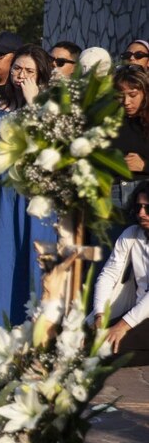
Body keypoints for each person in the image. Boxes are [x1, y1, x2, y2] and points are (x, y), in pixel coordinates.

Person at [0, 45, 56, 334]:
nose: (21, 76)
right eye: (18, 69)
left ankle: (36, 327)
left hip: (34, 193)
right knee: (0, 255)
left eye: (29, 71)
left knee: (33, 257)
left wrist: (35, 103)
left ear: (42, 75)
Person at [92, 182, 149, 353]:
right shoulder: (131, 234)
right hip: (137, 313)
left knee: (108, 349)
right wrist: (99, 314)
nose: (141, 213)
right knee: (84, 340)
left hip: (138, 318)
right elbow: (109, 274)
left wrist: (122, 326)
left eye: (148, 208)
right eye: (138, 206)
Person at [113, 64, 149, 210]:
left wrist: (144, 165)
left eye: (133, 95)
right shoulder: (108, 120)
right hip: (112, 195)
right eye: (121, 96)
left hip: (144, 195)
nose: (126, 102)